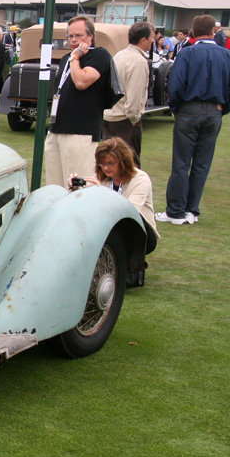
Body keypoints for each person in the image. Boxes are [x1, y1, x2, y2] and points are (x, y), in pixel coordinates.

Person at [156, 14, 230, 225]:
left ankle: (176, 211)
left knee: (181, 162)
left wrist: (176, 108)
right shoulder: (225, 55)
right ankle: (191, 210)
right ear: (213, 31)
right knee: (201, 164)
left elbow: (175, 85)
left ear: (194, 31)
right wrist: (222, 108)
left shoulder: (187, 53)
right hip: (214, 110)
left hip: (189, 109)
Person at [74, 138, 158, 286]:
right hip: (111, 228)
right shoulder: (103, 178)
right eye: (102, 164)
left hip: (141, 233)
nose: (106, 168)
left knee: (127, 222)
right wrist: (77, 190)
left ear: (123, 161)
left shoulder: (140, 179)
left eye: (111, 164)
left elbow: (128, 213)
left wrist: (101, 192)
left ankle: (127, 270)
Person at [44, 16, 114, 188]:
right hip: (57, 126)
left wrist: (76, 59)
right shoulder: (66, 58)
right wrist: (73, 57)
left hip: (81, 130)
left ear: (90, 36)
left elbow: (82, 82)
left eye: (79, 36)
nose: (74, 40)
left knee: (77, 184)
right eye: (70, 36)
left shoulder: (99, 55)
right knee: (55, 185)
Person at [103, 21, 154, 166]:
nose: (152, 41)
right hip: (124, 120)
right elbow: (135, 95)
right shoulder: (138, 61)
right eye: (151, 37)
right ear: (143, 39)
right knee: (129, 165)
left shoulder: (119, 55)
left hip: (109, 117)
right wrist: (134, 118)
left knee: (110, 163)